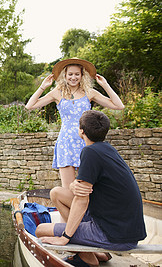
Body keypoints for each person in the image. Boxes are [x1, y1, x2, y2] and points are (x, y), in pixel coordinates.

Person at [35, 110, 147, 267]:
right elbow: (84, 187)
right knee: (57, 193)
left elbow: (82, 200)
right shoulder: (107, 149)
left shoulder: (90, 152)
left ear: (81, 131)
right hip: (123, 230)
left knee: (40, 230)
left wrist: (65, 237)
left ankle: (88, 259)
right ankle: (95, 253)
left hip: (112, 234)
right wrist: (75, 185)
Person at [25, 58, 124, 188]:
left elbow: (119, 105)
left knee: (87, 187)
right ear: (65, 75)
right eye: (70, 74)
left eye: (77, 74)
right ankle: (70, 209)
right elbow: (30, 106)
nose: (73, 77)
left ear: (82, 76)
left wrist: (105, 85)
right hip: (66, 143)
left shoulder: (89, 92)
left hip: (86, 142)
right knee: (68, 189)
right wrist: (43, 87)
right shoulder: (57, 93)